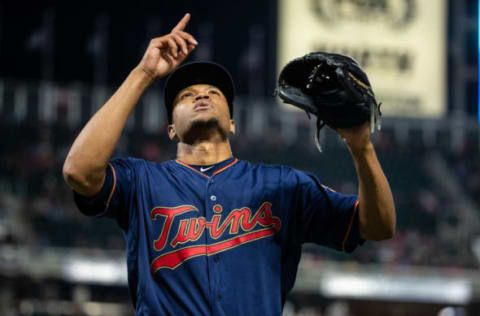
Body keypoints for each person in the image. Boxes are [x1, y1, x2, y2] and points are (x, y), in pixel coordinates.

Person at [63, 13, 395, 315]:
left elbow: (378, 227)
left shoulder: (282, 185)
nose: (201, 95)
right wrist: (144, 73)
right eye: (186, 95)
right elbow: (79, 171)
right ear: (171, 129)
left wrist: (360, 146)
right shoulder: (142, 181)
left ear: (233, 123)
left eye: (213, 92)